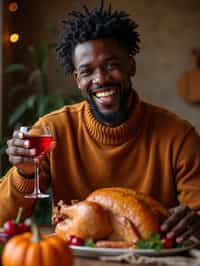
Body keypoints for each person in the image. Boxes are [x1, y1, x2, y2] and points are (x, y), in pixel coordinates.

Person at [1, 1, 200, 244]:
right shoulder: (52, 131)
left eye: (111, 66)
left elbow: (197, 215)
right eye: (87, 71)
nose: (101, 79)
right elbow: (3, 220)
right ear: (77, 79)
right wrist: (25, 174)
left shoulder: (179, 136)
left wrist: (196, 222)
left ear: (131, 65)